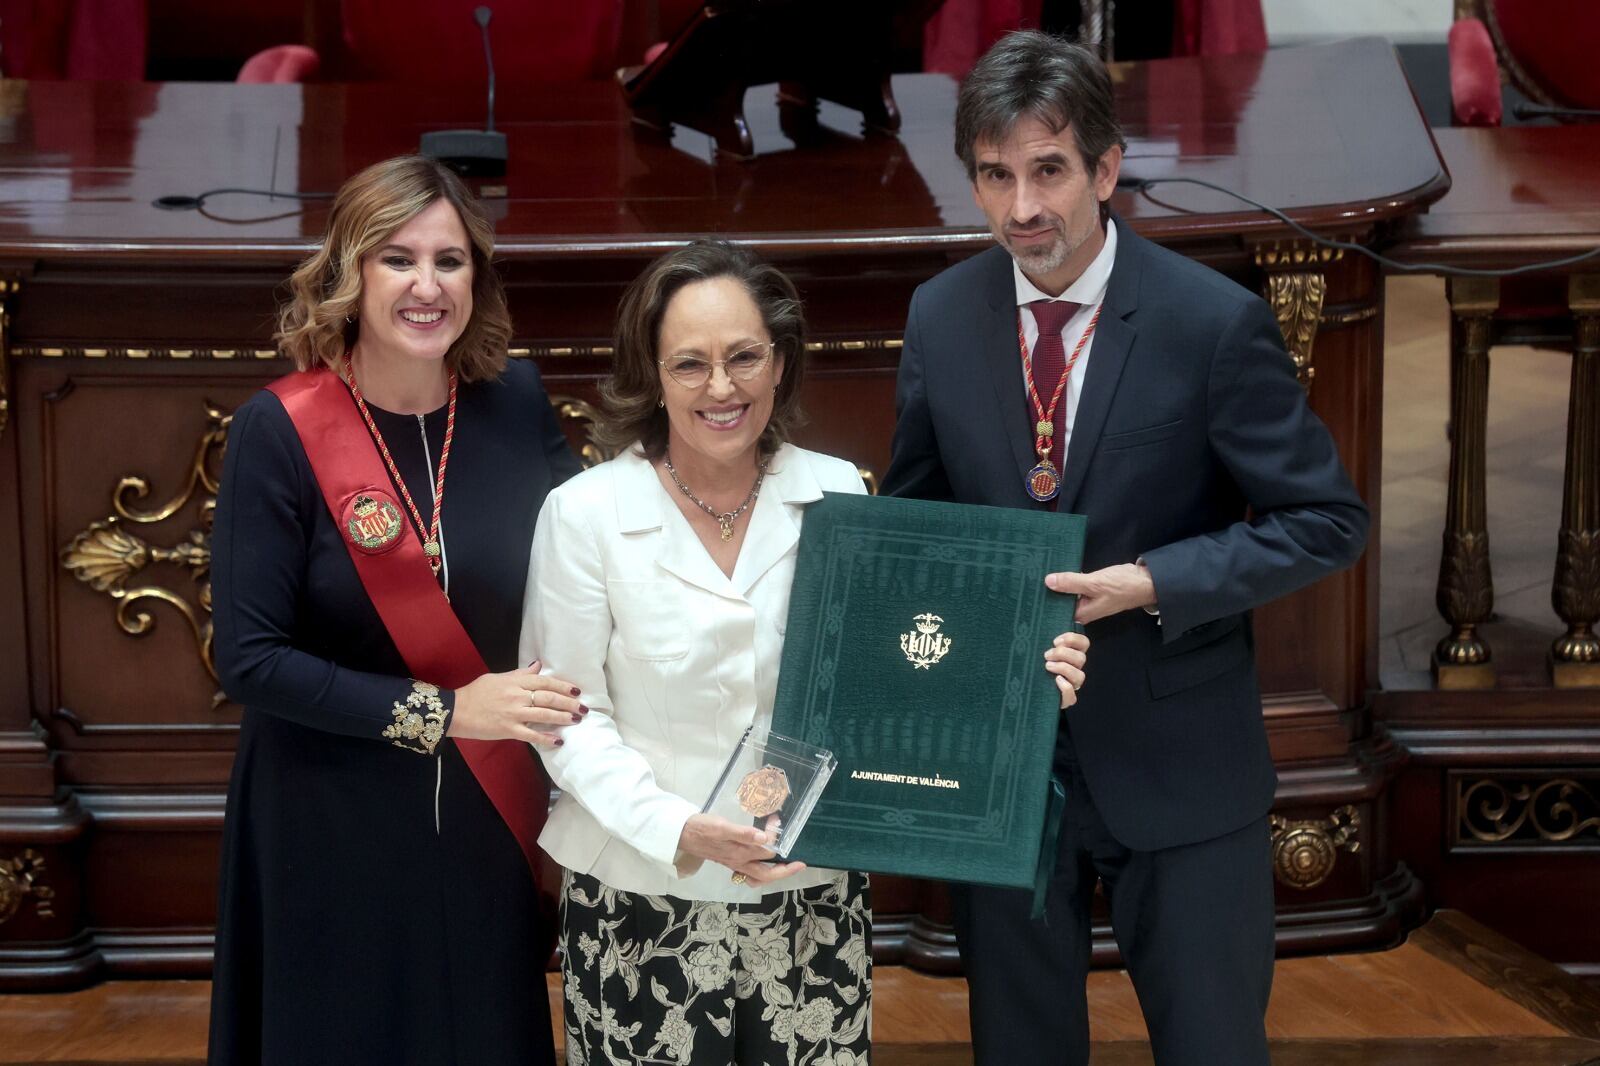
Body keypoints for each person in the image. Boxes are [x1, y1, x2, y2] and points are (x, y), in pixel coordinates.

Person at [879, 31, 1369, 1066]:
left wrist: (1154, 581)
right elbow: (923, 528)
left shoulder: (1211, 324)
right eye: (996, 176)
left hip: (1179, 767)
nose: (1023, 209)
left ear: (1105, 168)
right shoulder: (940, 316)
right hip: (1003, 770)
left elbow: (1326, 520)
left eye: (1049, 170)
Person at [519, 239, 1095, 1065]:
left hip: (808, 895)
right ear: (652, 374)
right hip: (642, 890)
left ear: (781, 364)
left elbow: (899, 680)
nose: (722, 387)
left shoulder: (839, 495)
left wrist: (1028, 679)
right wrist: (683, 829)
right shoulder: (583, 514)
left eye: (745, 357)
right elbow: (567, 721)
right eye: (690, 364)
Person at [209, 155, 582, 1066]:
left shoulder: (515, 403)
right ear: (349, 273)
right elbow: (249, 660)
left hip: (484, 818)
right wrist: (447, 712)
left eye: (450, 261)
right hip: (328, 816)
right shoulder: (281, 428)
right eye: (397, 259)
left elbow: (591, 563)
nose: (427, 286)